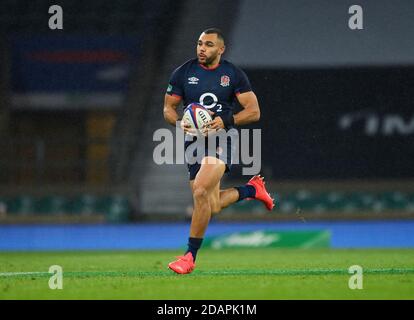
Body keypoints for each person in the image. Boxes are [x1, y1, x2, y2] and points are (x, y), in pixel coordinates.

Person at [163, 28, 274, 274]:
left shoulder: (233, 74)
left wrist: (226, 120)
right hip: (194, 141)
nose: (202, 48)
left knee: (201, 190)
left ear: (220, 49)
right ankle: (251, 190)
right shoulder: (183, 72)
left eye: (209, 45)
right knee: (210, 205)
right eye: (200, 43)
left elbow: (253, 112)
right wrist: (179, 121)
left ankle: (189, 257)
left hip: (223, 137)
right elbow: (168, 108)